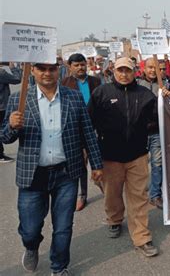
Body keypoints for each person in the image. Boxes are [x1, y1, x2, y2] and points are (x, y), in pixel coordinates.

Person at [0, 62, 103, 275]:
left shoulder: (72, 97)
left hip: (66, 173)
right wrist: (11, 125)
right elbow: (5, 137)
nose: (47, 73)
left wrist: (97, 165)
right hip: (33, 174)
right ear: (34, 71)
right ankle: (31, 246)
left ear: (59, 71)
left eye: (52, 69)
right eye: (41, 69)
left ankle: (59, 266)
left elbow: (87, 132)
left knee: (63, 226)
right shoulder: (18, 100)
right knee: (29, 229)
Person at [88, 57, 159, 257]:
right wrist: (90, 156)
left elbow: (157, 120)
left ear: (134, 71)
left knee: (138, 197)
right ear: (113, 71)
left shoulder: (145, 94)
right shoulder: (101, 93)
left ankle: (142, 237)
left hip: (137, 155)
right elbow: (89, 123)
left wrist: (165, 104)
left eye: (128, 70)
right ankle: (114, 219)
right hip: (110, 156)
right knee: (112, 194)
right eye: (120, 70)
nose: (124, 74)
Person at [62, 53, 102, 211]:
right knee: (81, 164)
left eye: (82, 64)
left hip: (96, 127)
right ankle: (82, 194)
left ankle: (107, 190)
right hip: (77, 129)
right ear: (70, 67)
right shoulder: (65, 84)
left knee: (99, 161)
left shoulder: (96, 81)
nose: (80, 68)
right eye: (76, 65)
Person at [137, 58, 170, 209]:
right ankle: (138, 194)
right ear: (144, 69)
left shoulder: (168, 84)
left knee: (157, 164)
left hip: (158, 131)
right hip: (139, 132)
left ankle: (155, 195)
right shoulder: (137, 84)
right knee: (139, 166)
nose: (154, 71)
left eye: (158, 68)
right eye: (150, 67)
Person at [0, 62, 22, 163]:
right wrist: (13, 67)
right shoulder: (1, 73)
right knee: (2, 130)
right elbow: (17, 79)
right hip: (1, 106)